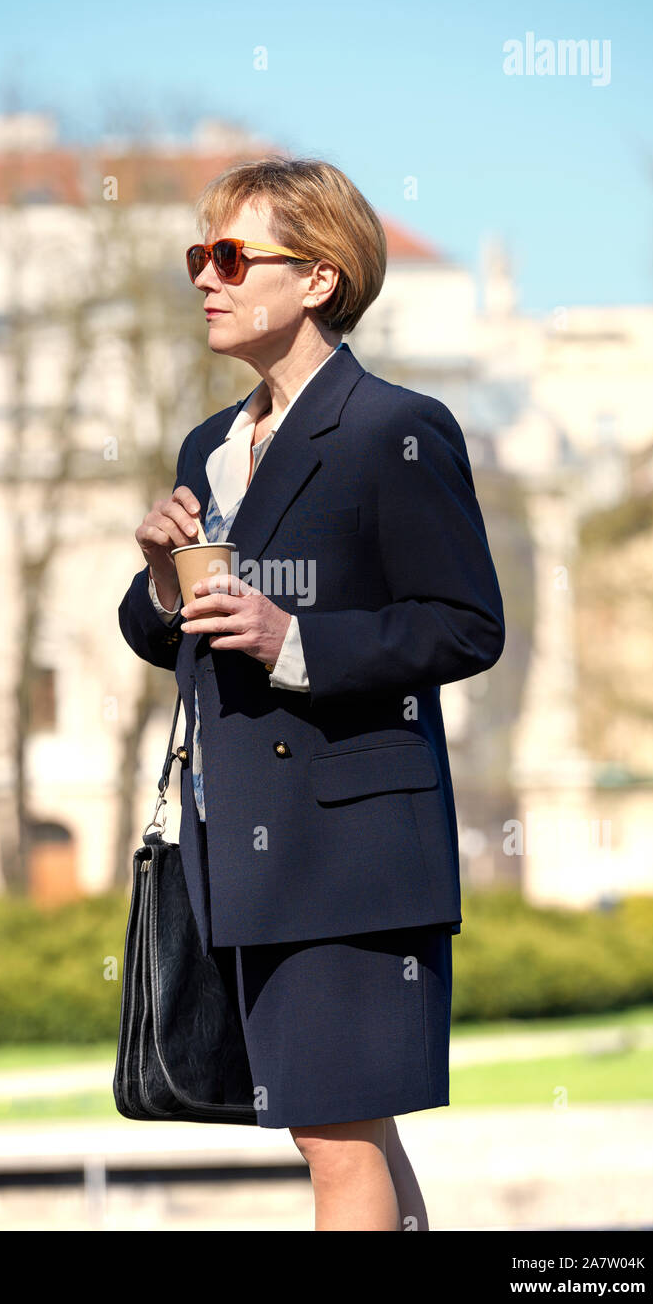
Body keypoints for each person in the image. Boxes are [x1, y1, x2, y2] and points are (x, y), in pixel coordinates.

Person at [119, 156, 505, 1230]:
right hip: (240, 850)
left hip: (351, 852)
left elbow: (467, 623)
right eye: (201, 256)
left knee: (336, 1139)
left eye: (232, 257)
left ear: (320, 278)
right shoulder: (212, 444)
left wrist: (297, 641)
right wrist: (161, 577)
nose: (206, 277)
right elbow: (162, 631)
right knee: (350, 1130)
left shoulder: (396, 430)